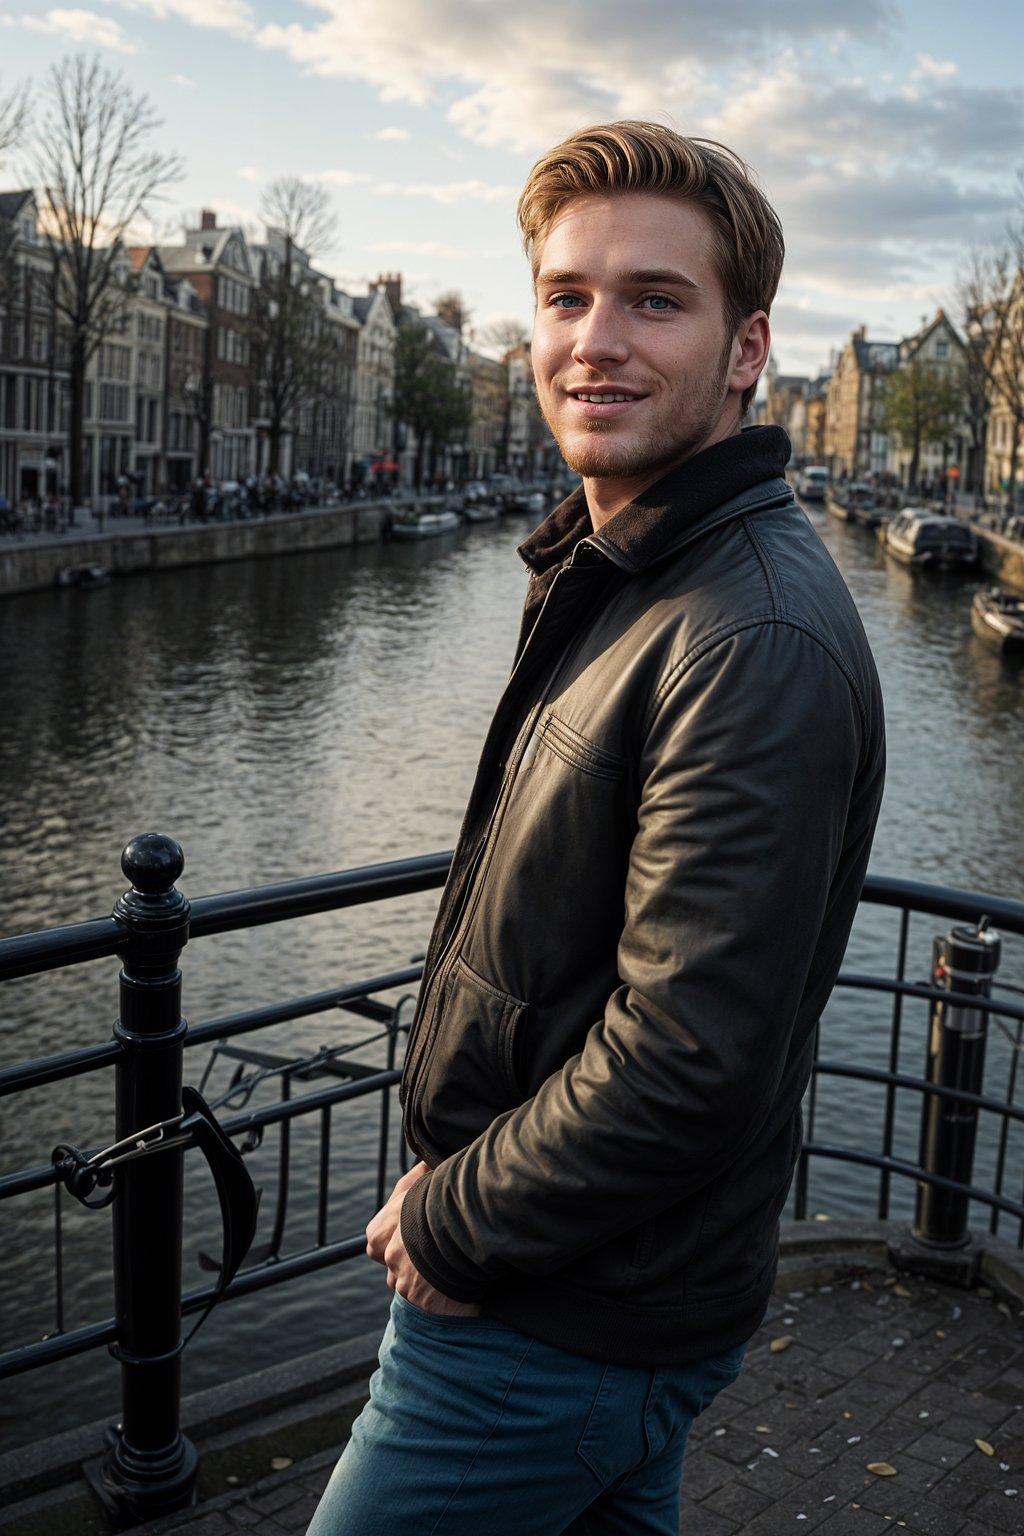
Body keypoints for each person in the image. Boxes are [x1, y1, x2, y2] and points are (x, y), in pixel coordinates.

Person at [307, 120, 885, 1536]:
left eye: (655, 300)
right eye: (567, 297)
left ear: (747, 350)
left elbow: (688, 1059)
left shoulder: (744, 634)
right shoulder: (638, 566)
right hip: (600, 1288)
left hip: (549, 1321)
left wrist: (451, 1221)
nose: (595, 341)